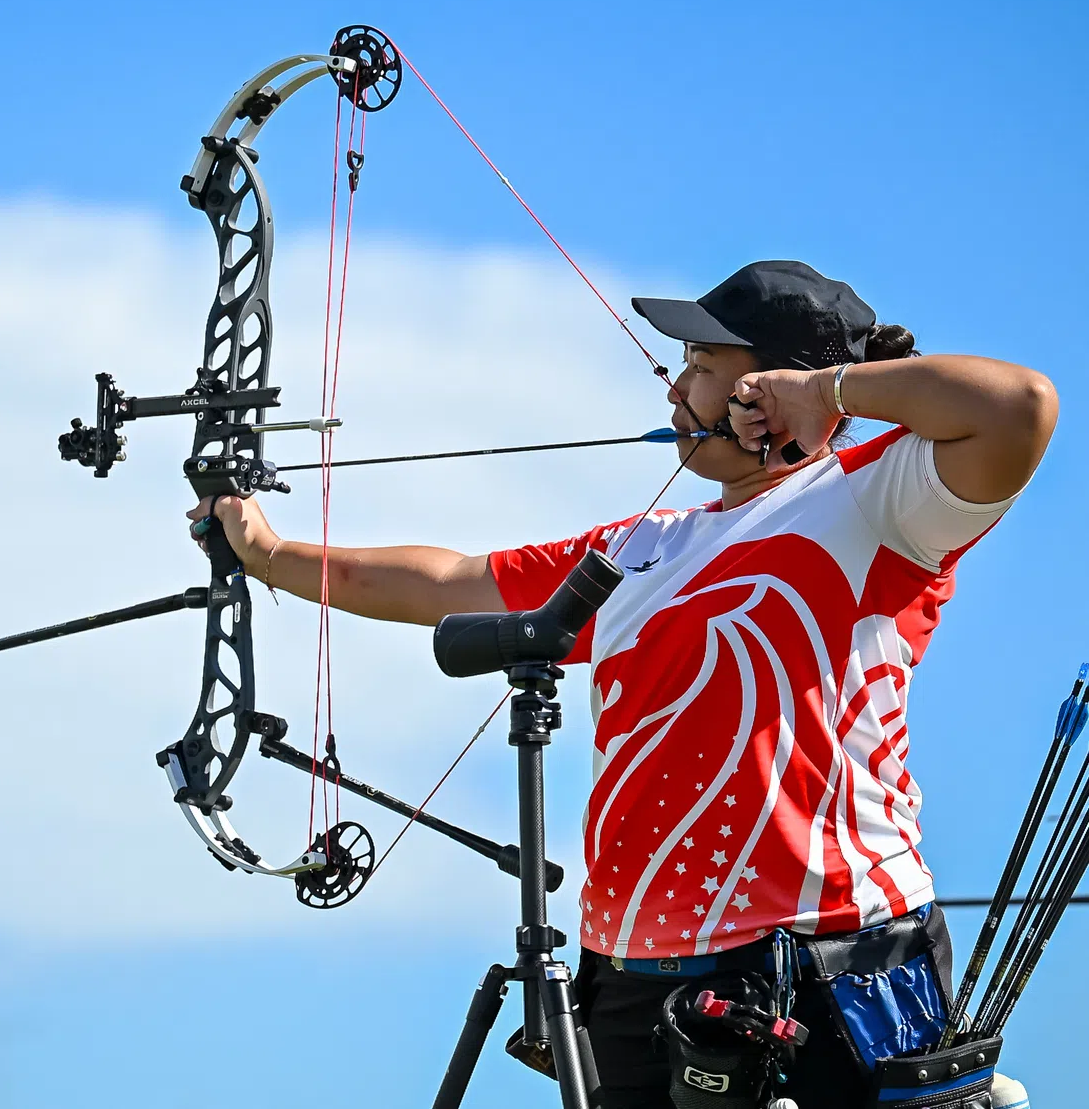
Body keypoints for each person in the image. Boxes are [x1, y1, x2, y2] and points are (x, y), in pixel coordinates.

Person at [188, 261, 1057, 1107]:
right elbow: (447, 583)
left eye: (704, 368)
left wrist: (825, 392)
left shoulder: (877, 502)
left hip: (825, 966)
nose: (675, 389)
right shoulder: (649, 547)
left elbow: (1018, 409)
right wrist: (267, 552)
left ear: (769, 390)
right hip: (636, 979)